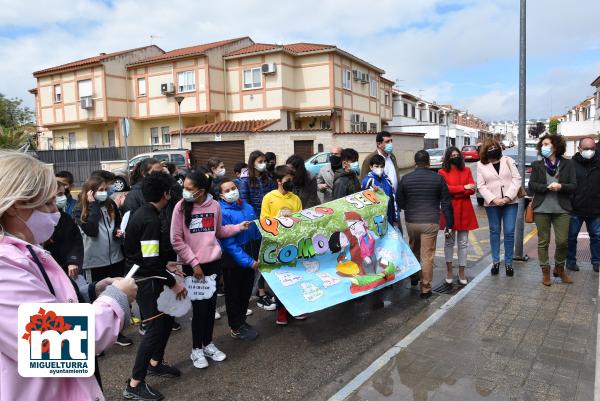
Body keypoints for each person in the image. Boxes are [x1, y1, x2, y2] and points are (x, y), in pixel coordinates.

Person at [0, 150, 136, 401]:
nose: (56, 212)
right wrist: (116, 299)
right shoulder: (3, 266)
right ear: (15, 206)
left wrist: (88, 292)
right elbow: (58, 343)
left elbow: (39, 303)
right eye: (48, 203)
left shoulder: (23, 252)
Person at [171, 170, 250, 369]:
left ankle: (208, 344)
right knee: (200, 310)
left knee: (210, 308)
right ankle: (196, 349)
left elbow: (219, 231)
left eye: (190, 189)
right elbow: (176, 240)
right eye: (185, 188)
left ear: (201, 190)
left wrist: (238, 227)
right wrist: (194, 263)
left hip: (213, 264)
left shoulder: (214, 205)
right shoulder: (180, 208)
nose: (185, 192)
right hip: (194, 267)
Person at [123, 172, 187, 401]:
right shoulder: (149, 219)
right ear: (166, 194)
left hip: (149, 274)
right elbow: (149, 263)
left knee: (167, 320)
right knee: (154, 329)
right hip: (146, 281)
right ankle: (134, 384)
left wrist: (167, 263)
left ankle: (155, 362)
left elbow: (149, 255)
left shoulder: (146, 213)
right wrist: (172, 282)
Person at [75, 175, 132, 346]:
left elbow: (118, 224)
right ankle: (95, 335)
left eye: (105, 190)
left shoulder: (110, 204)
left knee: (116, 295)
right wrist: (92, 206)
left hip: (115, 257)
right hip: (94, 261)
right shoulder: (80, 210)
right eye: (100, 190)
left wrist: (117, 232)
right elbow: (91, 230)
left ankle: (117, 332)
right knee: (97, 297)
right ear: (89, 192)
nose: (104, 193)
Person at [397, 150, 453, 298]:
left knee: (414, 249)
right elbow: (446, 203)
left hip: (412, 222)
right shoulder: (438, 179)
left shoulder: (406, 178)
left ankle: (414, 278)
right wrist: (449, 223)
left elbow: (400, 201)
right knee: (427, 256)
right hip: (430, 222)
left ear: (415, 163)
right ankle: (425, 288)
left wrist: (409, 208)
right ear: (428, 163)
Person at [529, 134, 577, 286]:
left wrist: (561, 186)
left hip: (562, 208)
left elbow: (574, 186)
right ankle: (545, 272)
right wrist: (546, 187)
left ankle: (559, 268)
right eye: (542, 144)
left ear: (555, 146)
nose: (544, 147)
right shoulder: (537, 165)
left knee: (562, 241)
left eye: (547, 144)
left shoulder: (568, 164)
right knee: (543, 241)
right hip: (542, 208)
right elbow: (532, 185)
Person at [218, 179, 261, 340]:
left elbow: (257, 232)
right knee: (234, 295)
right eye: (227, 190)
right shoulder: (222, 212)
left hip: (250, 254)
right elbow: (229, 244)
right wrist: (249, 262)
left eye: (233, 188)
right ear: (221, 195)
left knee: (245, 293)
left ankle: (241, 321)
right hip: (233, 259)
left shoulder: (248, 207)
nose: (232, 192)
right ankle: (235, 327)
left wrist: (258, 254)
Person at [261, 165, 303, 325]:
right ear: (278, 181)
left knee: (297, 277)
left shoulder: (295, 198)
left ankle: (297, 308)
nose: (290, 183)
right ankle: (282, 312)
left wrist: (293, 219)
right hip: (276, 245)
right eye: (287, 180)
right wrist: (277, 218)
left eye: (292, 180)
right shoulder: (269, 198)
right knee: (282, 280)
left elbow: (301, 220)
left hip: (293, 244)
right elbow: (264, 221)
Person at [476, 139, 521, 277]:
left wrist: (507, 197)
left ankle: (508, 263)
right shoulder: (480, 165)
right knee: (494, 231)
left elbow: (517, 179)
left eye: (495, 147)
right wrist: (494, 199)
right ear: (484, 150)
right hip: (492, 204)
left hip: (510, 202)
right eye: (489, 148)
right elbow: (481, 185)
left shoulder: (508, 160)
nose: (493, 150)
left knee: (509, 232)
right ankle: (495, 261)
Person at [239, 150, 277, 311]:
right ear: (253, 162)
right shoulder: (246, 181)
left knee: (268, 256)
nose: (264, 164)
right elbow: (245, 203)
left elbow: (274, 198)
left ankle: (263, 291)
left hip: (269, 222)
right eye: (260, 161)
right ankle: (257, 293)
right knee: (257, 257)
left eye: (264, 161)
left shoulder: (269, 178)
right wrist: (257, 221)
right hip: (255, 224)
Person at [438, 147, 478, 285]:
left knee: (463, 243)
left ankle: (462, 272)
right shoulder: (442, 172)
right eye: (452, 155)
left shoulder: (467, 170)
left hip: (465, 210)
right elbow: (445, 189)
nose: (455, 157)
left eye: (457, 155)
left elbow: (472, 190)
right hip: (449, 209)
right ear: (448, 157)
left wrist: (464, 189)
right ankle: (449, 270)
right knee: (449, 242)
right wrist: (463, 188)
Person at [567, 137, 600, 273]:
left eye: (592, 148)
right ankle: (570, 261)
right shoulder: (571, 165)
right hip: (575, 208)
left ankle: (597, 261)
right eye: (586, 149)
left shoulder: (599, 163)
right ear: (579, 149)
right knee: (571, 236)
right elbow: (566, 185)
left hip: (596, 208)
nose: (590, 151)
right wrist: (571, 201)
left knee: (597, 237)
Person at [44, 180, 84, 278]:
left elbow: (76, 241)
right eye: (59, 194)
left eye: (64, 193)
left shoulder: (65, 218)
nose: (63, 197)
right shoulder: (39, 219)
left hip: (66, 273)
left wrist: (72, 261)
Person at [361, 154, 400, 230]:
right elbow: (364, 203)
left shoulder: (387, 180)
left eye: (382, 166)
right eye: (377, 166)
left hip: (389, 217)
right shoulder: (368, 181)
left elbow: (393, 199)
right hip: (376, 219)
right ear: (371, 167)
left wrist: (395, 218)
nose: (379, 169)